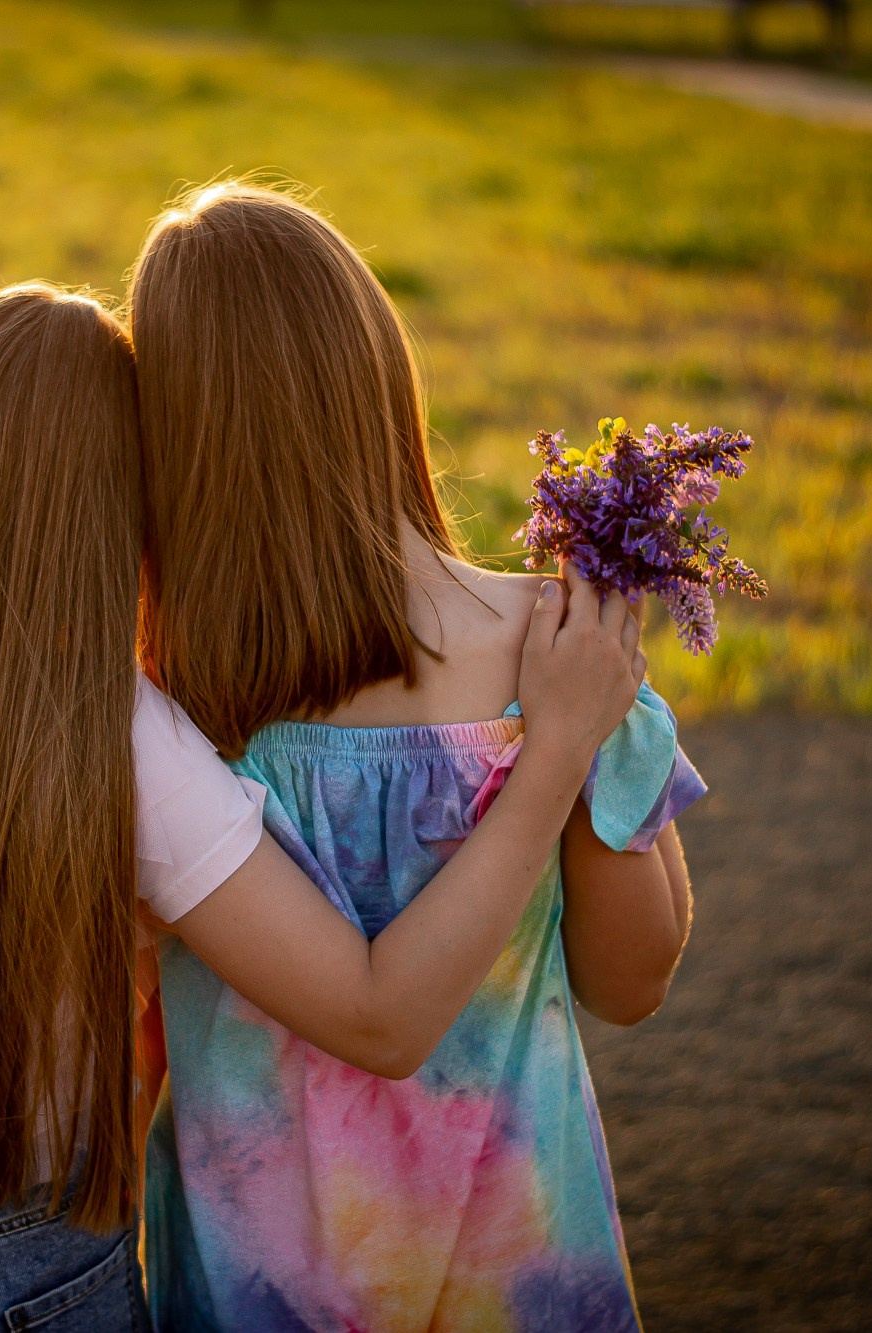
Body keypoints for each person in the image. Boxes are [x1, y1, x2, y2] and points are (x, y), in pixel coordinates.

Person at [0, 281, 644, 1330]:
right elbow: (377, 1014)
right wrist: (551, 756)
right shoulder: (125, 739)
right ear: (117, 506)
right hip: (29, 1266)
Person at [129, 183, 703, 1332]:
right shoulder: (557, 654)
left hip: (259, 1293)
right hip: (520, 1269)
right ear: (380, 377)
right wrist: (581, 744)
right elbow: (631, 981)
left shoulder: (172, 712)